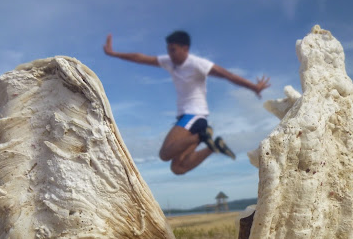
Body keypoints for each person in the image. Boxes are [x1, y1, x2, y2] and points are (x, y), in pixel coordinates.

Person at [103, 30, 270, 175]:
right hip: (192, 118)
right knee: (178, 168)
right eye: (168, 51)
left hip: (194, 115)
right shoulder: (170, 62)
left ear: (185, 49)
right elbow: (141, 58)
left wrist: (254, 87)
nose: (170, 55)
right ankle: (213, 146)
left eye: (173, 50)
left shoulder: (198, 64)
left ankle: (202, 136)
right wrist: (114, 53)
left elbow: (227, 75)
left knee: (164, 154)